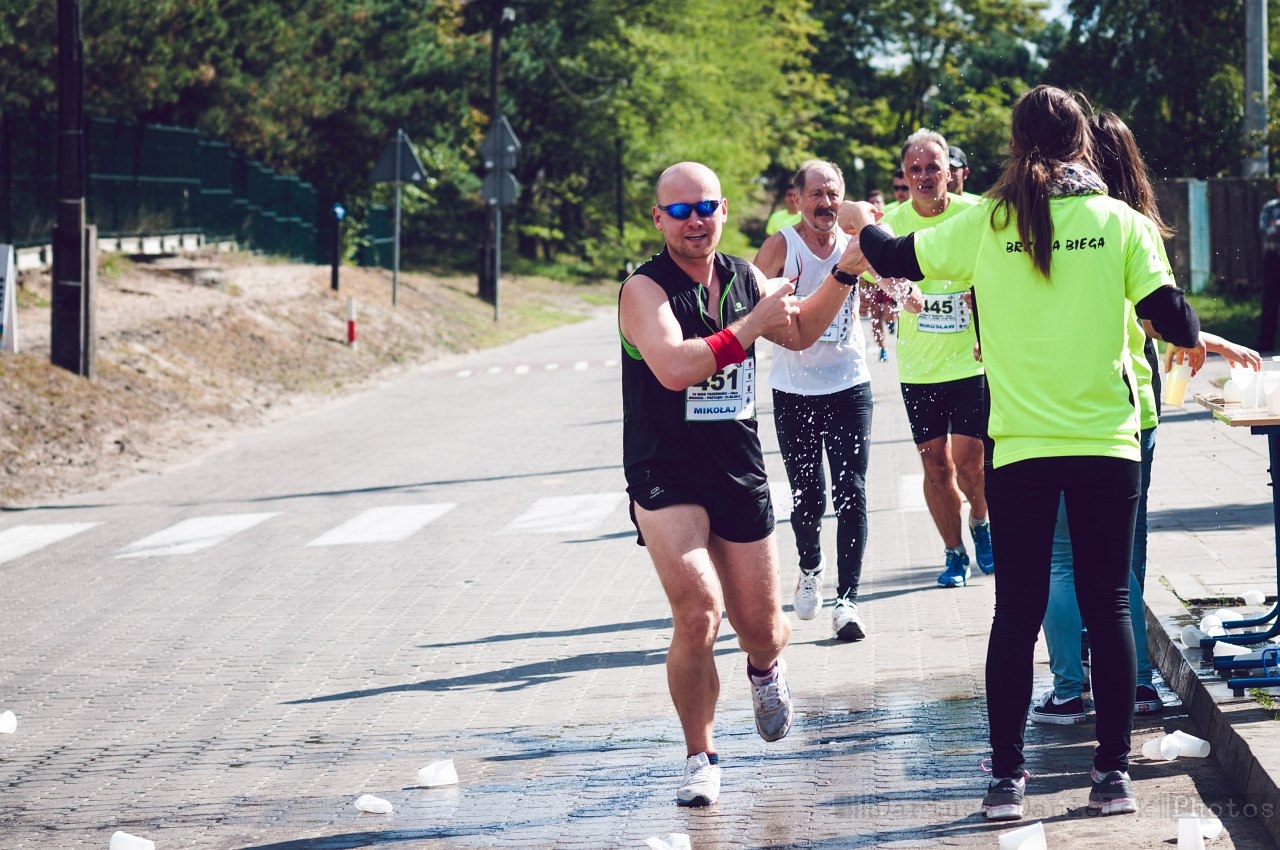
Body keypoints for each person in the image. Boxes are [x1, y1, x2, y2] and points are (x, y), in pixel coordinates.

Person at [837, 85, 1202, 821]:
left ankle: (1006, 780)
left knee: (1017, 610)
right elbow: (1177, 325)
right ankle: (1111, 777)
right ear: (1082, 143)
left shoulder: (988, 223)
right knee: (1110, 603)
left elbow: (897, 257)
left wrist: (864, 223)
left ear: (1015, 143)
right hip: (1107, 442)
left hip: (1020, 447)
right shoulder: (1122, 222)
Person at [619, 161, 868, 807]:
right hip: (664, 469)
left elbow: (802, 331)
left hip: (736, 465)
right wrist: (752, 325)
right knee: (699, 610)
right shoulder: (643, 290)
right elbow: (674, 368)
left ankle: (764, 667)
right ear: (659, 218)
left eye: (705, 207)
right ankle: (700, 757)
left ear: (723, 211)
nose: (694, 221)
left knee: (761, 627)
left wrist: (845, 272)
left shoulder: (744, 278)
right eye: (680, 211)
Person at [1033, 111, 1262, 726]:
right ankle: (1135, 684)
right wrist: (1206, 338)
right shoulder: (1131, 225)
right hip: (1134, 408)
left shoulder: (1054, 226)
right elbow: (1160, 315)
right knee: (1124, 558)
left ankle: (1069, 688)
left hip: (1060, 410)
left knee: (1062, 558)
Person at [753, 160, 873, 642]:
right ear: (797, 199)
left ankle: (848, 602)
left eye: (833, 193)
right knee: (808, 496)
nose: (826, 203)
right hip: (794, 389)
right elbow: (747, 300)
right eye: (817, 194)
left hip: (850, 384)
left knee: (852, 491)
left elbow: (894, 279)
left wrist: (903, 294)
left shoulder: (855, 243)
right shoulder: (782, 245)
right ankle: (810, 565)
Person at [878, 129, 991, 587]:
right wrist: (896, 292)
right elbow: (868, 270)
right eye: (915, 169)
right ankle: (954, 553)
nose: (924, 176)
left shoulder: (976, 214)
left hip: (971, 362)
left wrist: (983, 297)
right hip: (919, 367)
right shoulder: (890, 223)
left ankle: (981, 521)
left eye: (933, 168)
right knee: (936, 467)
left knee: (970, 462)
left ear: (950, 172)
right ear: (905, 176)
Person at [1256, 178, 1280, 353]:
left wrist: (1277, 225)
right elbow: (1265, 229)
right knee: (1270, 300)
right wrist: (1275, 228)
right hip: (1273, 258)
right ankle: (1266, 343)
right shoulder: (1270, 207)